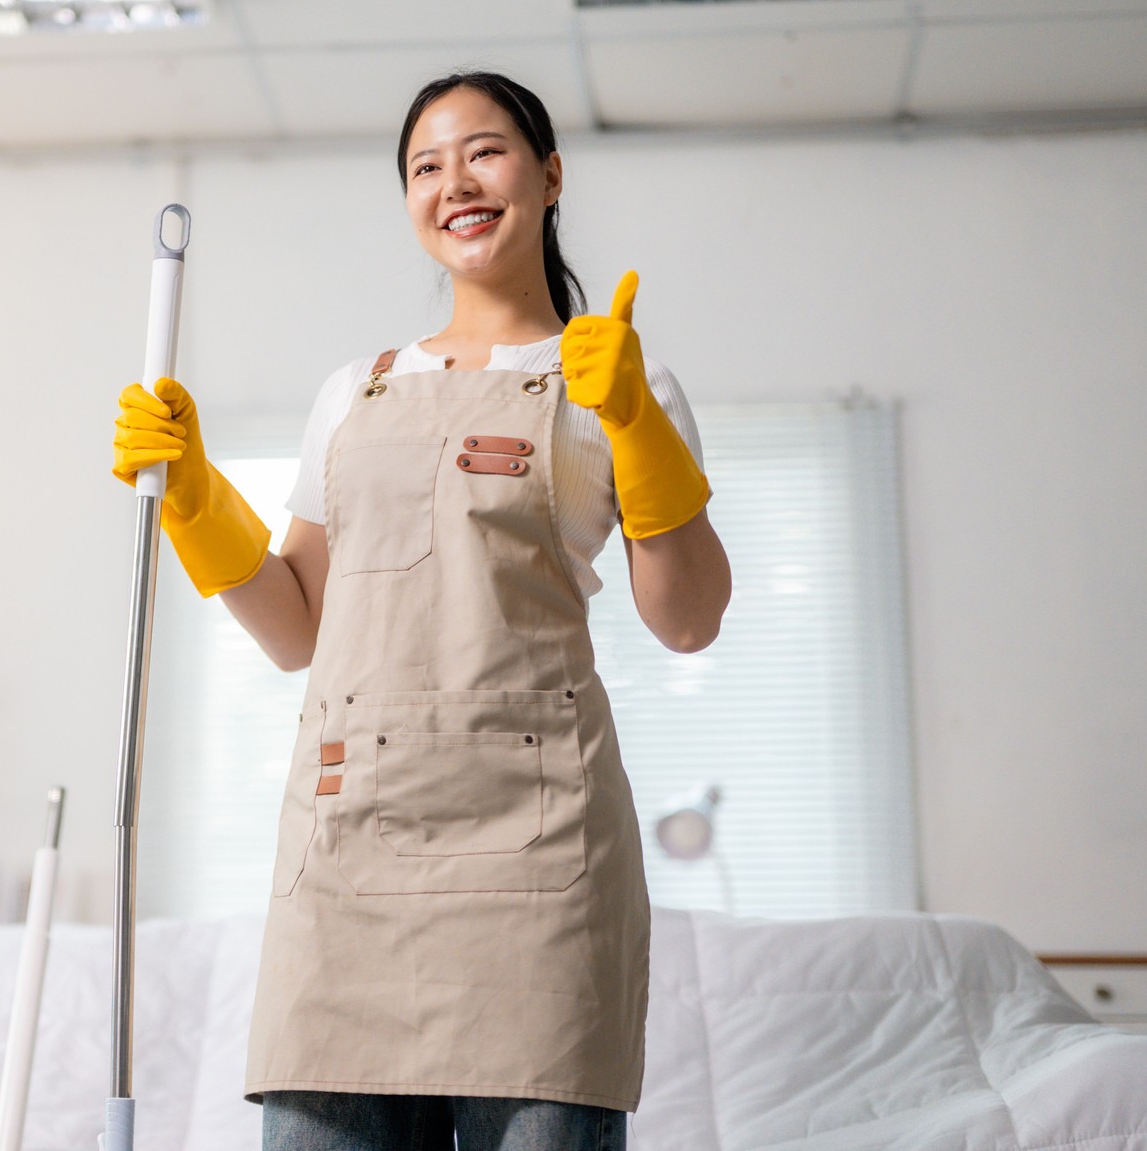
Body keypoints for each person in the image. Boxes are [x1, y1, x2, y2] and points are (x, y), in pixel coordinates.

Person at [111, 70, 733, 1151]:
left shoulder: (618, 378)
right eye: (425, 165)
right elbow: (299, 627)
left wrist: (631, 421)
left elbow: (689, 619)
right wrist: (199, 498)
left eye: (484, 151)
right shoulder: (356, 390)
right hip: (349, 856)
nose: (456, 182)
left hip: (539, 868)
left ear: (547, 174)